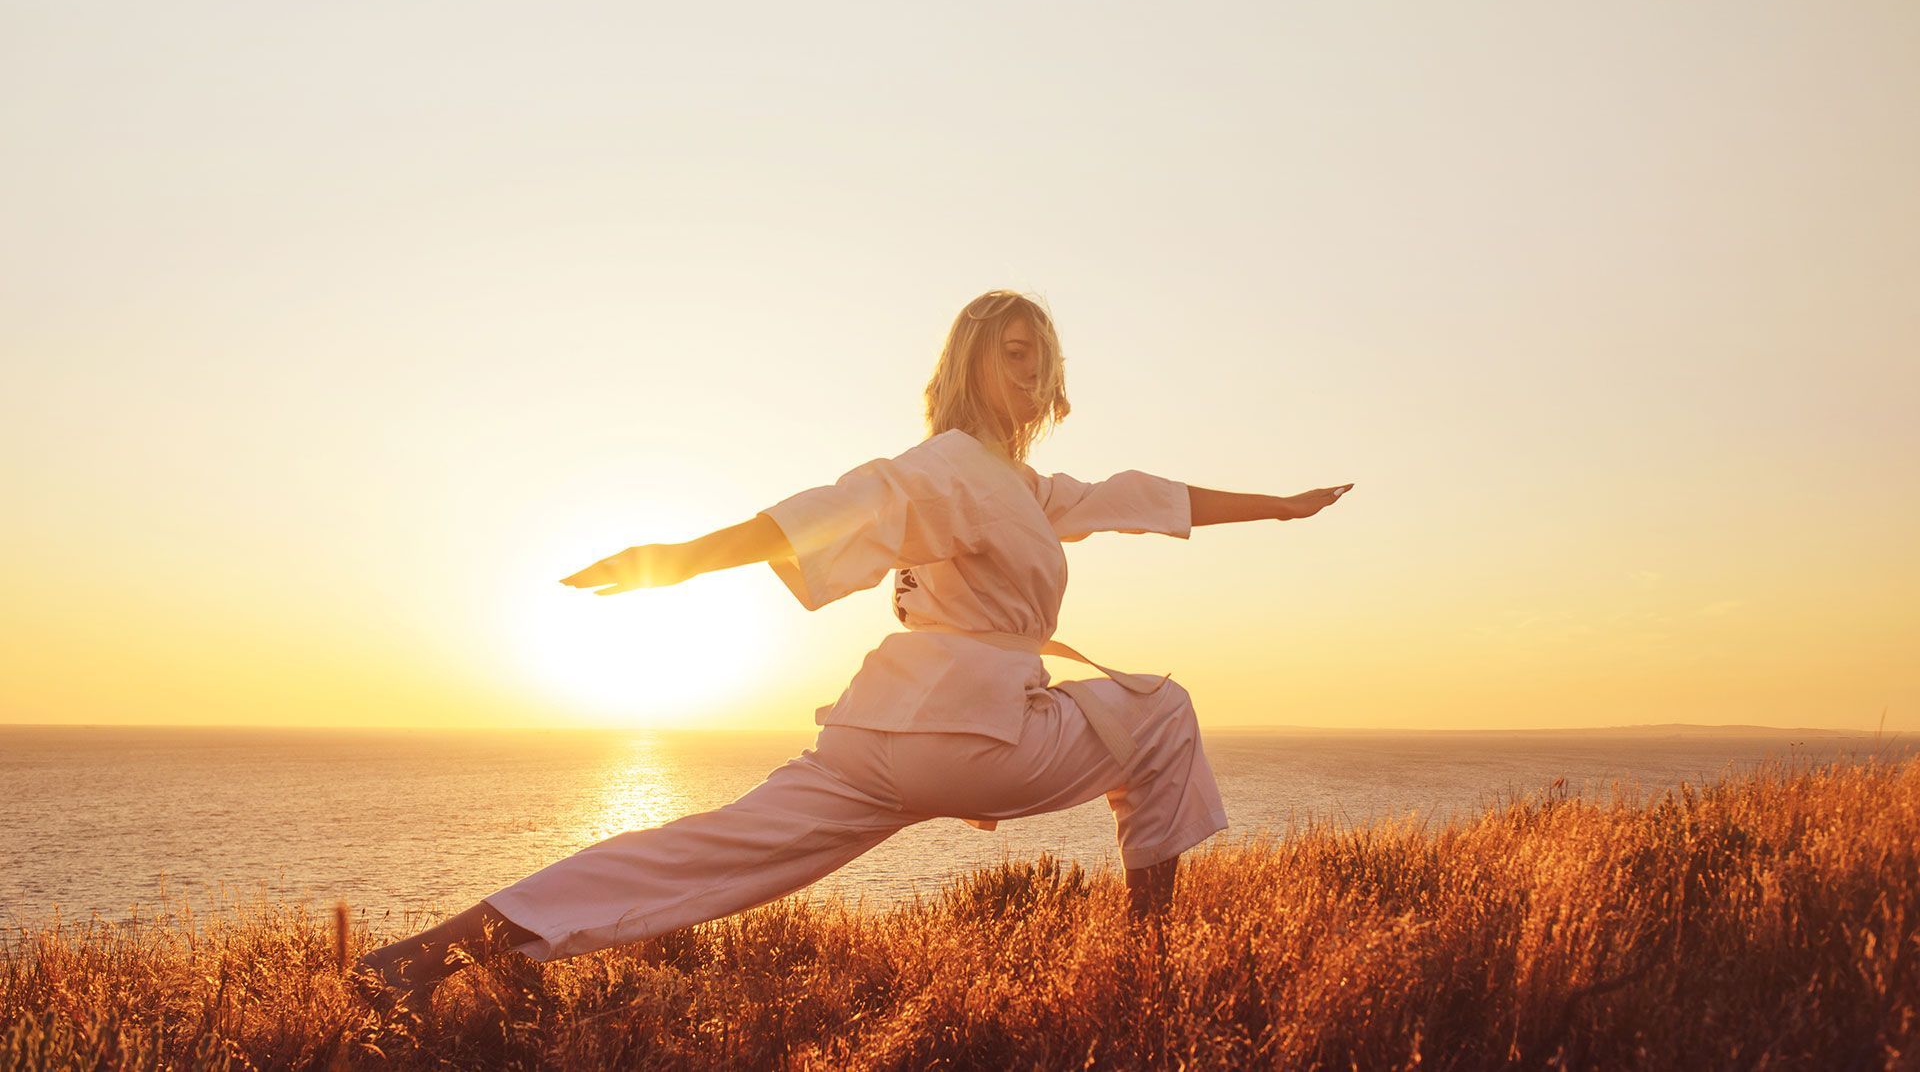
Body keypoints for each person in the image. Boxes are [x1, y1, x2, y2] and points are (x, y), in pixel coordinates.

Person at [351, 289, 1353, 1009]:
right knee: (1161, 710)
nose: (1031, 369)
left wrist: (1277, 507)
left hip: (883, 732)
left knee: (713, 845)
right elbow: (838, 509)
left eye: (1041, 354)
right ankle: (1149, 968)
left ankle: (422, 955)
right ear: (968, 362)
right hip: (975, 731)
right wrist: (681, 558)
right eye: (1012, 349)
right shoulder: (947, 467)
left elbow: (1140, 497)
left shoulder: (1028, 487)